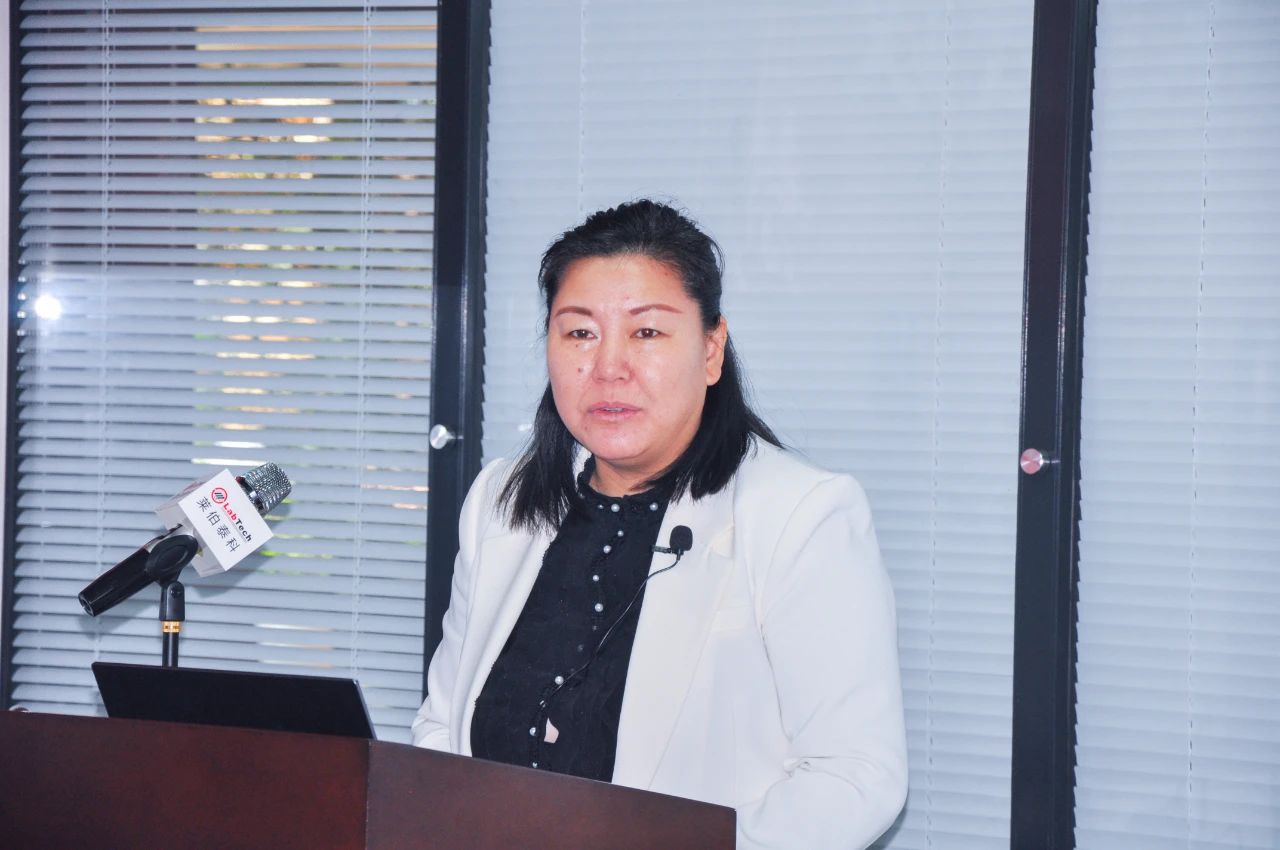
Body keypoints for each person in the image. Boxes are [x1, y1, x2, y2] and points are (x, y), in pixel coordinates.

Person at [412, 200, 907, 849]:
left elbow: (856, 777)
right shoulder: (500, 499)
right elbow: (442, 728)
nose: (608, 366)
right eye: (579, 333)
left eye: (646, 332)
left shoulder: (800, 514)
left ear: (711, 349)